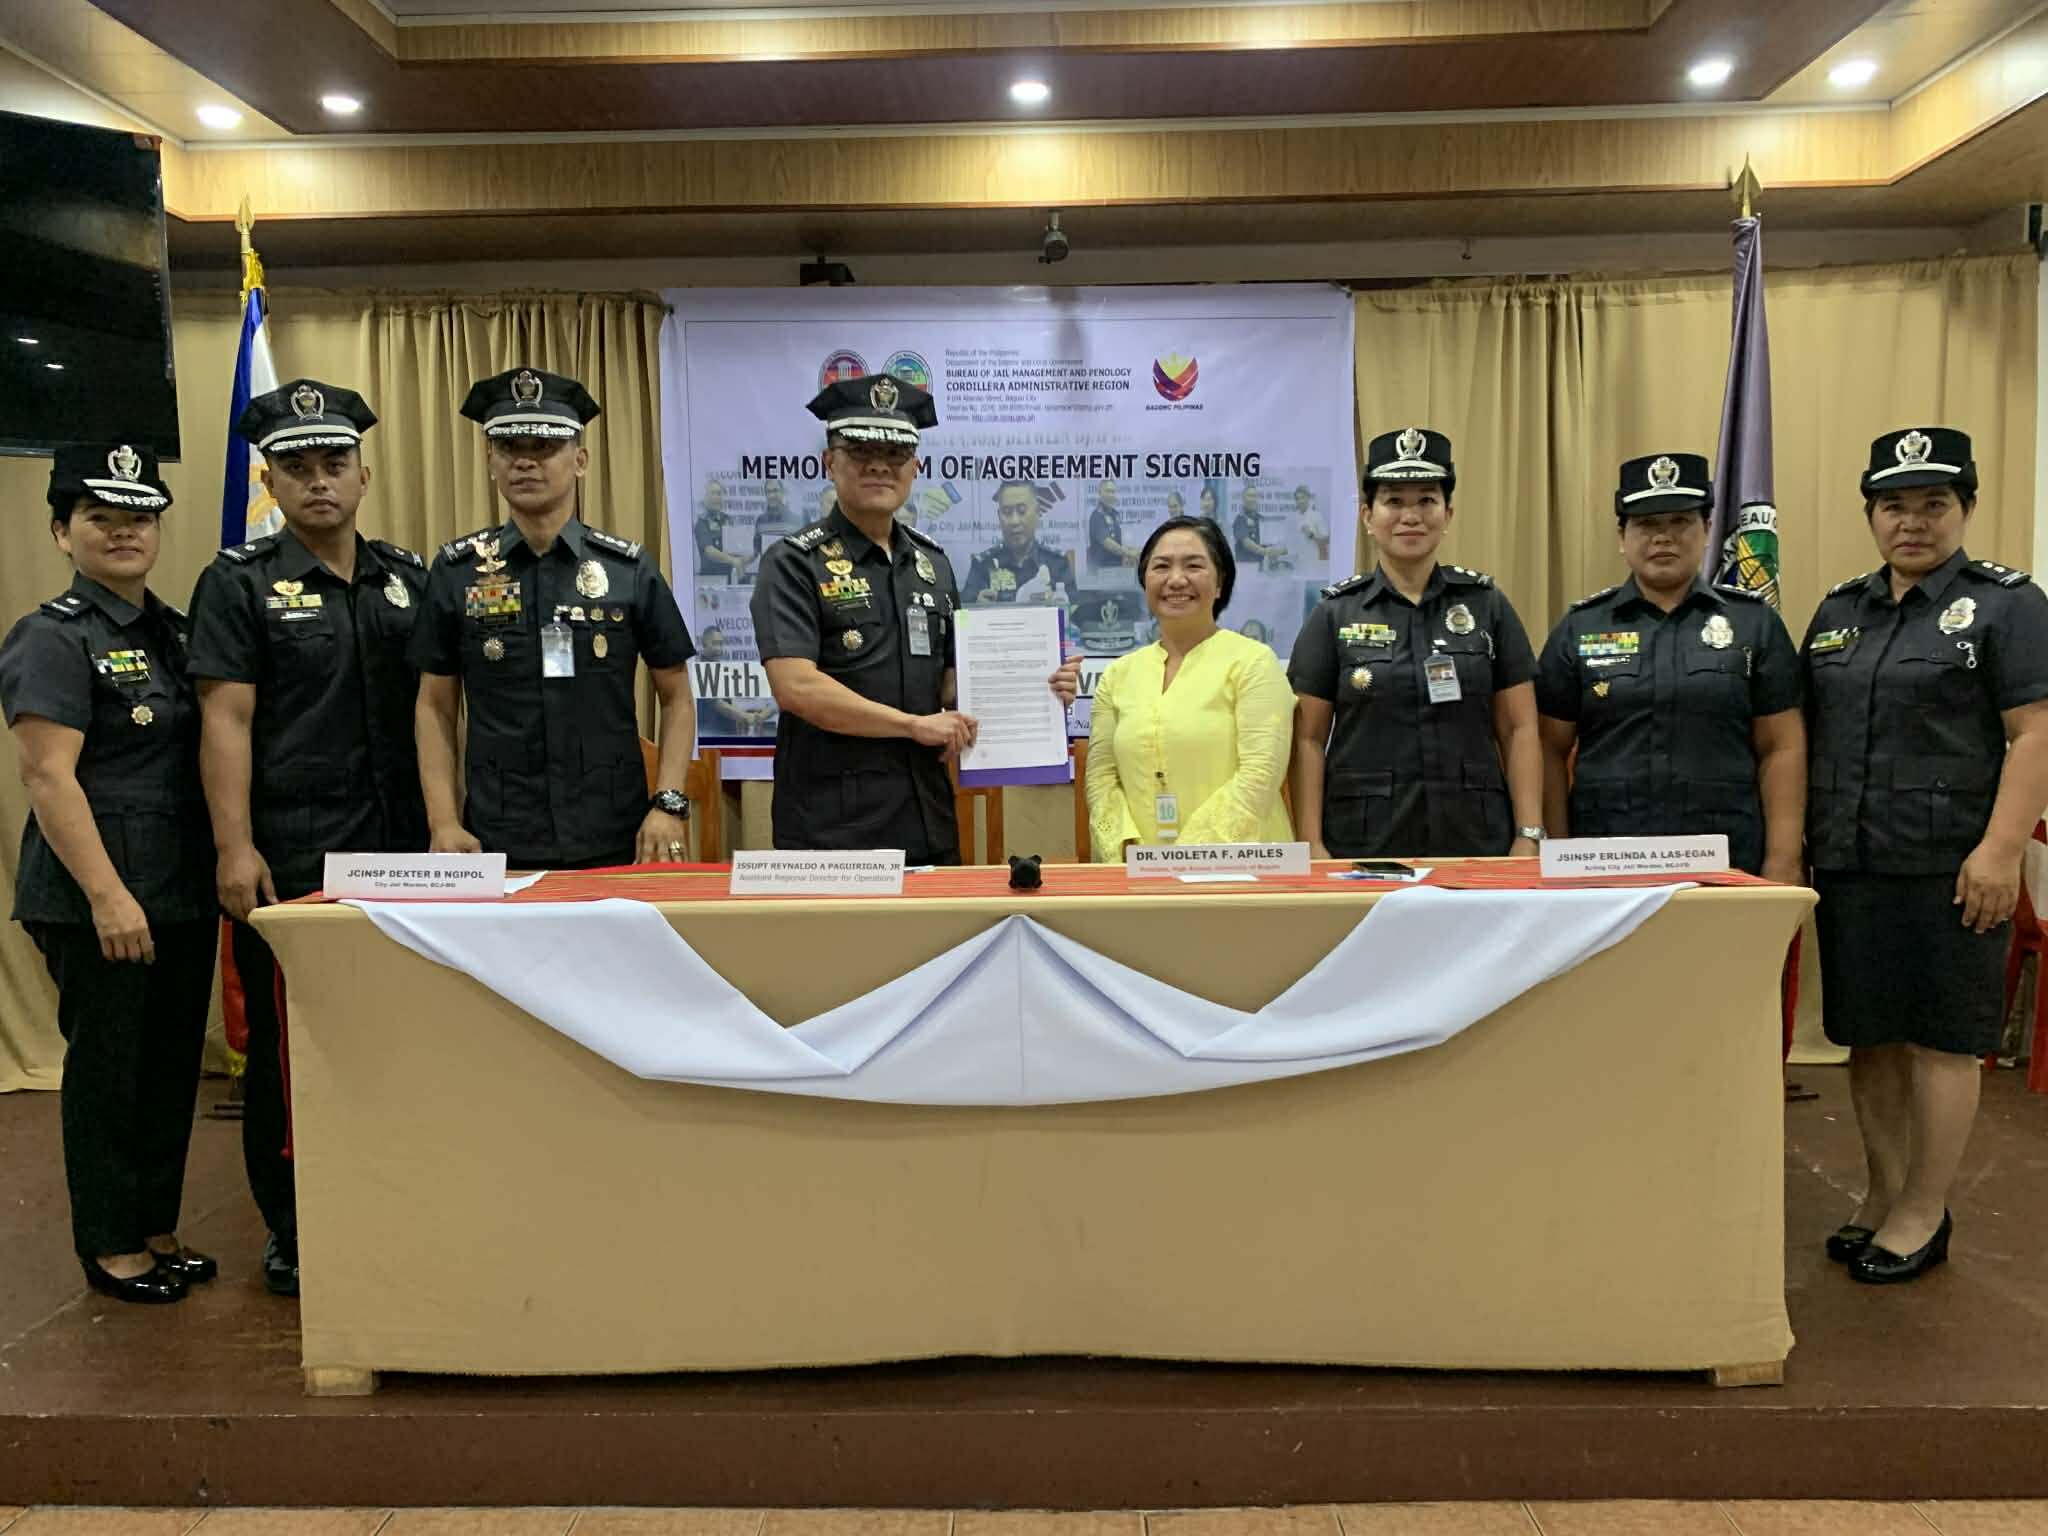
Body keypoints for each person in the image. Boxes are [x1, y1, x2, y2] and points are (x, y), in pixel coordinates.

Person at [186, 379, 429, 1298]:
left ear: (364, 475)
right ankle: (294, 1224)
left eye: (335, 463)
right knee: (290, 1048)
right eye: (297, 468)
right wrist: (233, 846)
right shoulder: (237, 583)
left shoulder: (408, 579)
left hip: (403, 848)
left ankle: (396, 1197)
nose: (318, 481)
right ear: (270, 482)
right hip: (294, 850)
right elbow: (226, 722)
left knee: (400, 1033)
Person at [1803, 427, 2048, 1284]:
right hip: (1852, 858)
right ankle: (1882, 1192)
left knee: (1943, 1042)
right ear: (1872, 515)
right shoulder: (1839, 611)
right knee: (1869, 1040)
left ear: (1966, 509)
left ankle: (1925, 1208)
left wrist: (2002, 851)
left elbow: (2035, 733)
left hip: (1952, 866)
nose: (1912, 522)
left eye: (1933, 504)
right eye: (1894, 506)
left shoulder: (2009, 605)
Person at [0, 444, 217, 1304]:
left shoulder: (174, 630)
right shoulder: (52, 636)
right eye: (101, 518)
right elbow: (47, 775)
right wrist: (107, 895)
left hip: (178, 886)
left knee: (167, 1070)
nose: (125, 533)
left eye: (140, 518)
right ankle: (110, 1244)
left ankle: (154, 1226)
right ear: (62, 532)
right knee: (108, 1075)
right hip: (98, 895)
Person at [753, 376, 1079, 861]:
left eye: (896, 453)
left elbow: (949, 686)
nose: (879, 465)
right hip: (832, 825)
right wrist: (912, 726)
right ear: (830, 462)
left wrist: (1042, 685)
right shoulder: (794, 563)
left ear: (915, 466)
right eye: (860, 450)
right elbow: (796, 687)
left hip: (927, 815)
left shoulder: (933, 565)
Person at [413, 366, 698, 868]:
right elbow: (435, 706)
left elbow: (676, 697)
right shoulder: (456, 572)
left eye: (544, 447)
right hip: (498, 834)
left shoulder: (627, 570)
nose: (525, 461)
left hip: (614, 832)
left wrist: (668, 803)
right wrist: (443, 822)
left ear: (580, 461)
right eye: (509, 447)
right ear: (491, 461)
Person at [1535, 452, 1804, 878]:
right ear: (1622, 537)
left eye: (1680, 522)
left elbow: (1782, 746)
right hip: (1606, 858)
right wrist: (1557, 854)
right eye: (1646, 524)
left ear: (1708, 529)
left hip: (1727, 858)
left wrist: (1783, 859)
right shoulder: (1580, 627)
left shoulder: (1755, 624)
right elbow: (1548, 749)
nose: (1663, 537)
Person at [1289, 428, 1543, 859]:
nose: (1411, 516)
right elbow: (1307, 739)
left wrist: (1529, 834)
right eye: (1394, 501)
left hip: (1476, 834)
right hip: (1364, 839)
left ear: (1448, 513)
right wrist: (1310, 843)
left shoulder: (1486, 605)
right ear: (1367, 516)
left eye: (1427, 500)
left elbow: (1519, 727)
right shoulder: (1335, 614)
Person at [1085, 516, 1293, 860]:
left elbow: (1260, 775)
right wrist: (1127, 852)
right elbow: (1101, 779)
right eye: (1161, 566)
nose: (1176, 579)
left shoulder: (1254, 662)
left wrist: (1184, 861)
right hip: (1138, 869)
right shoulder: (1118, 676)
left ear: (1220, 583)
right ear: (1144, 581)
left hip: (1240, 868)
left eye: (1193, 565)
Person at [965, 480, 1075, 604]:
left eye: (1022, 511)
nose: (1014, 521)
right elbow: (961, 615)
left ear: (1037, 513)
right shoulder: (983, 565)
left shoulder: (1057, 563)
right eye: (1007, 512)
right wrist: (976, 608)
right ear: (999, 517)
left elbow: (1076, 615)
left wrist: (1059, 609)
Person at [695, 480, 745, 584]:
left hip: (730, 579)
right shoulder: (702, 522)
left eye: (719, 493)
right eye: (712, 493)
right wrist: (733, 560)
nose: (716, 497)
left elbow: (739, 548)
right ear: (705, 498)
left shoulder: (729, 520)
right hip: (710, 580)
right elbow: (709, 551)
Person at [1086, 478, 1137, 575]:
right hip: (1101, 570)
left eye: (1113, 492)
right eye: (1108, 491)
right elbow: (1108, 543)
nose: (1111, 495)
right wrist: (1128, 553)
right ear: (1100, 493)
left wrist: (1134, 551)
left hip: (1116, 568)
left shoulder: (1115, 515)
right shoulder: (1096, 516)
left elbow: (1118, 542)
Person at [1232, 484, 1289, 570]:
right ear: (1243, 499)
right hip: (1245, 568)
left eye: (1255, 496)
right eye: (1250, 496)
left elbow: (1268, 542)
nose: (1252, 499)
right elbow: (1246, 543)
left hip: (1260, 567)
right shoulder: (1240, 519)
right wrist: (1265, 551)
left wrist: (1279, 551)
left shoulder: (1261, 519)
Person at [1295, 484, 1330, 565]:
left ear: (1308, 498)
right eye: (1297, 498)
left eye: (1302, 498)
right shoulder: (1296, 517)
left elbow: (1325, 541)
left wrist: (1311, 535)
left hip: (1314, 562)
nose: (1300, 501)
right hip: (1300, 562)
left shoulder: (1316, 516)